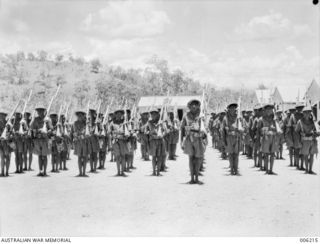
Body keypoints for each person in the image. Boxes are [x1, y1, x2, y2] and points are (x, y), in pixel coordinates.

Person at [180, 99, 207, 184]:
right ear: (189, 106)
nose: (194, 106)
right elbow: (182, 129)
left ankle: (197, 178)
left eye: (196, 104)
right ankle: (192, 178)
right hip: (189, 139)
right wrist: (181, 141)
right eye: (192, 104)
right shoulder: (186, 116)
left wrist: (205, 140)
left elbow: (205, 129)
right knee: (191, 158)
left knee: (198, 159)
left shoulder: (201, 115)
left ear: (198, 106)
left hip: (199, 139)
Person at [257, 104, 280, 175]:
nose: (269, 111)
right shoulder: (261, 119)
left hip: (273, 137)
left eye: (270, 109)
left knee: (273, 154)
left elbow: (278, 129)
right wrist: (259, 140)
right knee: (266, 154)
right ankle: (267, 170)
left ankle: (271, 169)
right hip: (265, 138)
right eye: (268, 109)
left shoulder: (274, 119)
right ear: (265, 110)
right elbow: (258, 130)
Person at [295, 106, 319, 174]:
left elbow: (317, 131)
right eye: (305, 112)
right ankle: (306, 169)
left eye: (309, 112)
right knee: (305, 155)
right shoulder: (300, 122)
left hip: (312, 140)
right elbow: (296, 131)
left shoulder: (313, 122)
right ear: (303, 113)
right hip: (304, 140)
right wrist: (298, 142)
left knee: (312, 155)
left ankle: (310, 169)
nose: (307, 114)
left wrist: (316, 133)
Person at [30, 105, 52, 177]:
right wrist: (37, 130)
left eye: (41, 111)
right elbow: (32, 128)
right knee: (39, 156)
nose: (39, 112)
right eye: (38, 111)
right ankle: (40, 171)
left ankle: (45, 171)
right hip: (37, 140)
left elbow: (51, 129)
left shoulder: (47, 119)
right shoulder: (35, 119)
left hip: (45, 140)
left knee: (44, 156)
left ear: (44, 111)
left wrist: (46, 132)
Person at [222, 103, 243, 175]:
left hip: (236, 138)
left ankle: (236, 170)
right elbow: (222, 130)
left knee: (236, 155)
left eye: (234, 109)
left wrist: (240, 130)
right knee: (230, 155)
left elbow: (242, 129)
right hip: (229, 138)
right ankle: (231, 169)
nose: (232, 110)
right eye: (231, 109)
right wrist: (224, 140)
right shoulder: (225, 119)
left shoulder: (238, 118)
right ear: (229, 110)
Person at [146, 108, 168, 176]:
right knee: (153, 157)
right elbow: (145, 131)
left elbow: (166, 131)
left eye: (155, 114)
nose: (153, 115)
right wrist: (150, 133)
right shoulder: (149, 122)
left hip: (160, 141)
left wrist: (162, 135)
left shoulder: (161, 122)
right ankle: (153, 171)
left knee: (159, 157)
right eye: (152, 114)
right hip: (152, 141)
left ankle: (158, 171)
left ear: (158, 114)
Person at [109, 108, 130, 176]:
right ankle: (118, 171)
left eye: (120, 114)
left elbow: (128, 132)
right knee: (117, 157)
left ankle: (122, 171)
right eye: (117, 114)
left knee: (123, 156)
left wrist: (125, 136)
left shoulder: (124, 122)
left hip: (123, 141)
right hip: (115, 141)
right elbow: (109, 133)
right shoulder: (112, 123)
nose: (118, 115)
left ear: (122, 115)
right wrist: (110, 143)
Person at [71, 109, 89, 177]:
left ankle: (84, 172)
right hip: (78, 142)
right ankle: (80, 172)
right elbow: (72, 133)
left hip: (84, 142)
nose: (80, 117)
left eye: (81, 115)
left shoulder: (86, 124)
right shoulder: (75, 123)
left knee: (84, 157)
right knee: (79, 157)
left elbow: (89, 133)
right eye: (78, 115)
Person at [288, 104, 304, 170]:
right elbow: (290, 127)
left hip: (303, 134)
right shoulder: (293, 116)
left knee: (303, 150)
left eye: (301, 108)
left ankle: (302, 165)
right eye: (298, 108)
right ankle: (297, 165)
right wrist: (291, 137)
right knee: (296, 150)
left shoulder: (303, 114)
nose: (299, 109)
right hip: (295, 134)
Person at [0, 110, 11, 177]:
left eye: (3, 115)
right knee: (2, 157)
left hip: (7, 143)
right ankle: (2, 172)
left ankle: (6, 172)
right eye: (0, 115)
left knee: (7, 157)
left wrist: (8, 135)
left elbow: (11, 133)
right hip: (0, 142)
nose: (1, 116)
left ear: (5, 116)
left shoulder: (8, 124)